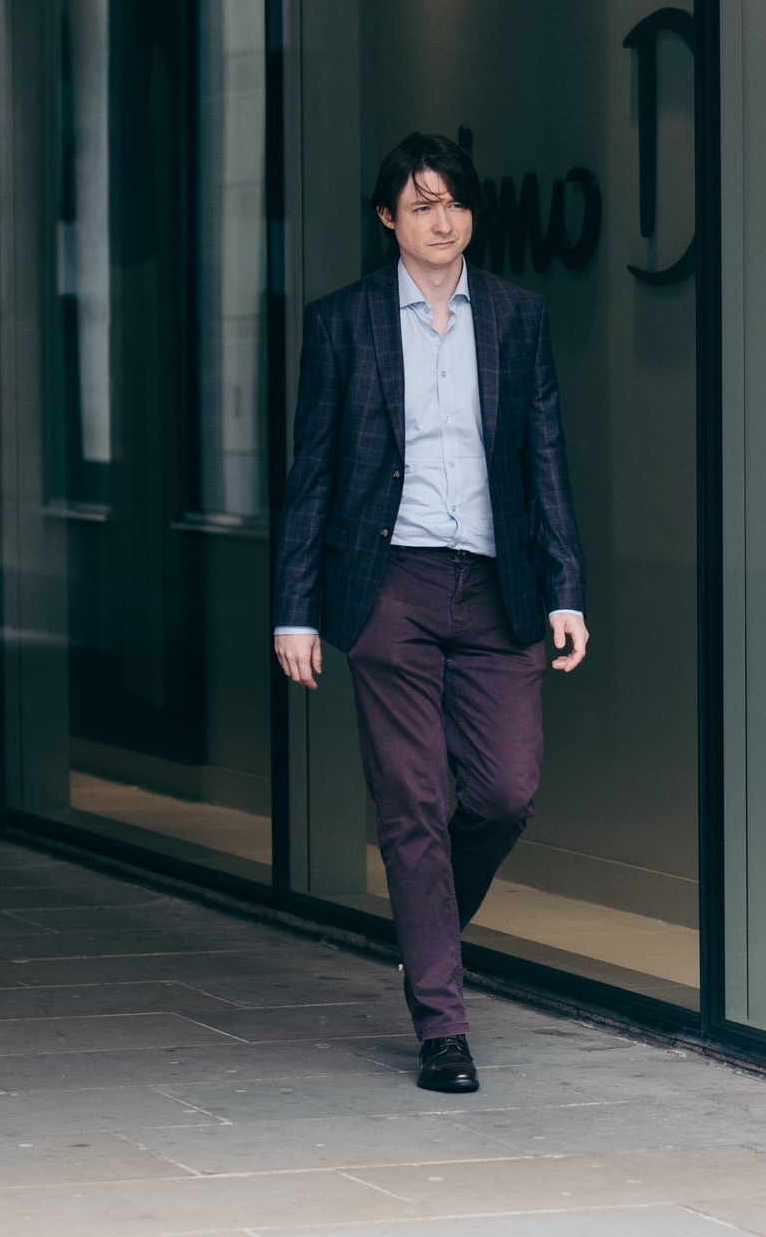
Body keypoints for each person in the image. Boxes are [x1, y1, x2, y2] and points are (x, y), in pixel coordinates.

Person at [272, 133, 589, 1093]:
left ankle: (427, 933)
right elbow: (313, 474)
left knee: (504, 793)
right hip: (390, 588)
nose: (440, 220)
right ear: (387, 220)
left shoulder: (517, 317)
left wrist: (567, 587)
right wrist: (295, 610)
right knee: (410, 804)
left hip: (500, 589)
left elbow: (546, 461)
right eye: (420, 205)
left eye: (453, 202)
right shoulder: (343, 324)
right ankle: (443, 1028)